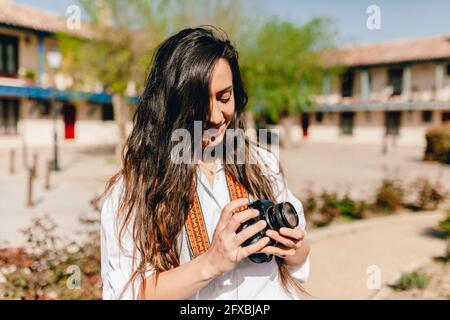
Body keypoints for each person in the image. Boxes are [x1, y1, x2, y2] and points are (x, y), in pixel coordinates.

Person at [100, 27, 310, 300]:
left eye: (225, 97)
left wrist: (293, 248)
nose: (215, 116)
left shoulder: (261, 163)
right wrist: (211, 263)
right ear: (170, 105)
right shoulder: (132, 190)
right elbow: (127, 293)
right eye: (198, 103)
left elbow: (301, 258)